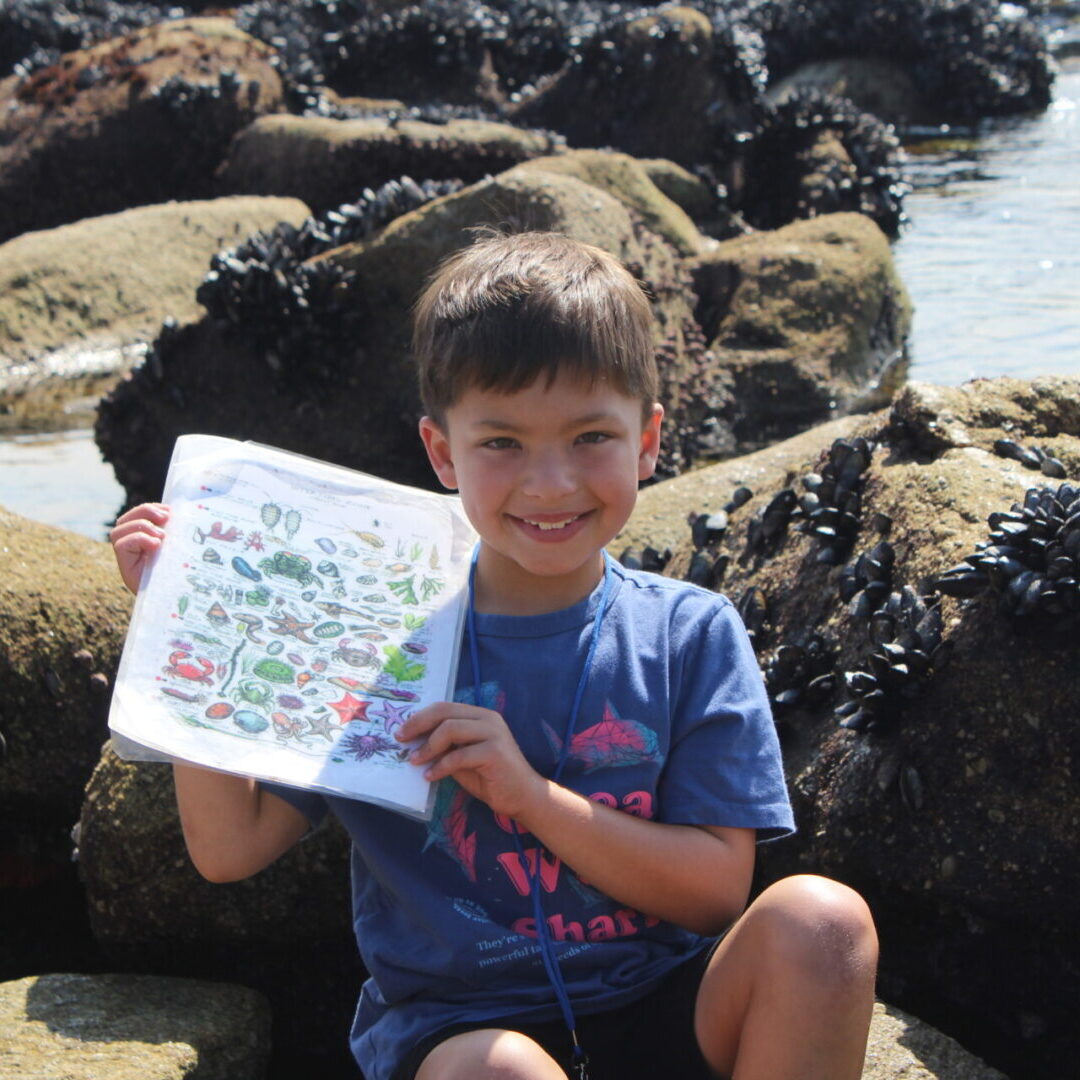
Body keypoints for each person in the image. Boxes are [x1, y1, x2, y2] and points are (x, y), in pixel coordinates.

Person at [111, 231, 878, 1080]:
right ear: (443, 452)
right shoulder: (377, 638)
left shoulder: (689, 634)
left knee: (823, 923)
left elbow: (715, 892)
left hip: (665, 1001)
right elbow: (230, 849)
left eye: (591, 436)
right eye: (502, 442)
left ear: (649, 439)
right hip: (462, 1038)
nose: (550, 484)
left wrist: (534, 800)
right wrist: (188, 619)